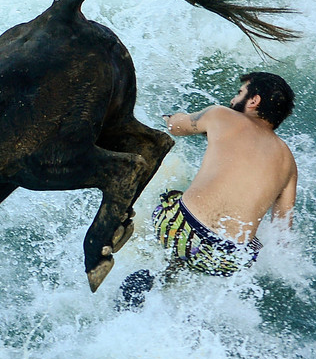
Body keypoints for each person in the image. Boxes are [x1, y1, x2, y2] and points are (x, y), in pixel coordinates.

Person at [120, 72, 297, 307]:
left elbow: (176, 126)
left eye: (240, 93)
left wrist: (166, 116)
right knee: (247, 243)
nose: (234, 99)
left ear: (254, 101)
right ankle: (165, 283)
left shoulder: (221, 115)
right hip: (227, 259)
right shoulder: (289, 161)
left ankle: (133, 254)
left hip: (178, 229)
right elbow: (282, 232)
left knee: (172, 196)